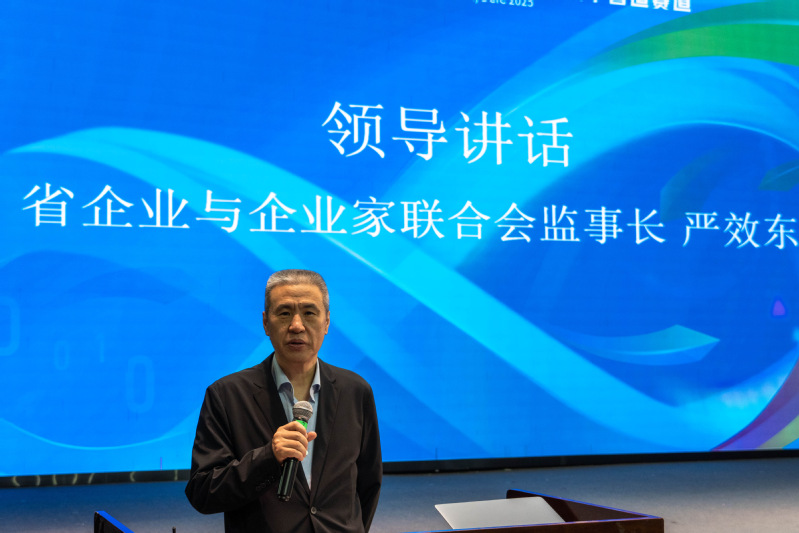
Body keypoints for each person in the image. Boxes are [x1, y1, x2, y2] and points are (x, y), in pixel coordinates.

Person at [185, 269, 382, 533]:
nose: (297, 325)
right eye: (285, 313)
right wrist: (268, 457)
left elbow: (368, 484)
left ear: (326, 322)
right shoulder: (226, 395)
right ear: (266, 323)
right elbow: (202, 492)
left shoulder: (355, 391)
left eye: (309, 313)